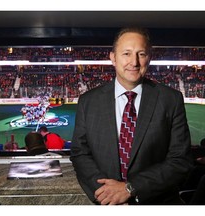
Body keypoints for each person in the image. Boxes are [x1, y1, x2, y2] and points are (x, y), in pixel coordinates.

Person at [70, 27, 193, 205]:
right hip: (105, 203)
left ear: (149, 58)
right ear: (113, 57)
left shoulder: (170, 99)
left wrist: (130, 188)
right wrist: (106, 194)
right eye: (126, 53)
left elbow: (180, 160)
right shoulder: (88, 101)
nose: (134, 62)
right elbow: (80, 153)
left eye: (141, 54)